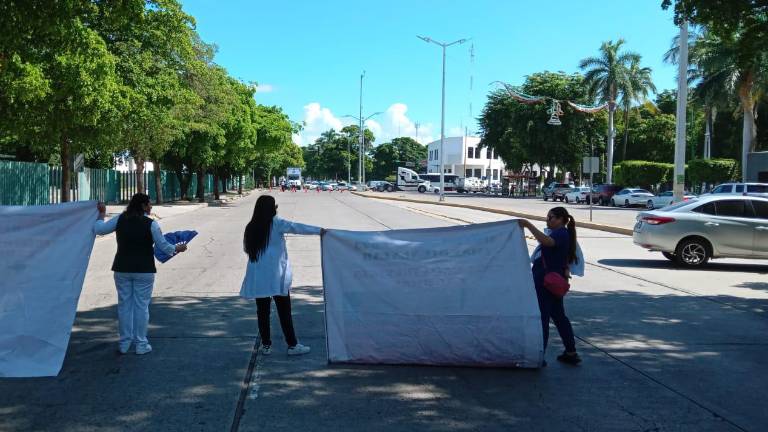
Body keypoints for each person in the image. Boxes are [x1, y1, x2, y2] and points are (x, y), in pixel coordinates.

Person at [94, 193, 187, 355]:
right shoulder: (151, 224)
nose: (151, 207)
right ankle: (141, 344)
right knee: (141, 307)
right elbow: (164, 247)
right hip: (144, 270)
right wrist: (178, 248)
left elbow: (99, 229)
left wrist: (101, 214)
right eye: (149, 204)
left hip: (121, 269)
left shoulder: (120, 219)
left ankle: (124, 343)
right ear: (143, 206)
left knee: (124, 306)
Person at [240, 195, 322, 356]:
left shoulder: (251, 226)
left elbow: (248, 250)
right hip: (276, 276)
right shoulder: (276, 223)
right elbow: (298, 227)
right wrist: (320, 231)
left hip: (259, 277)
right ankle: (292, 345)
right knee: (284, 312)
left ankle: (266, 345)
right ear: (272, 208)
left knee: (262, 312)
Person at [518, 207, 581, 365]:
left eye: (551, 217)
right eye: (547, 217)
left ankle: (540, 355)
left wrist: (528, 225)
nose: (548, 220)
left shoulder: (560, 233)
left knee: (543, 318)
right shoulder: (562, 233)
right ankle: (570, 351)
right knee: (559, 317)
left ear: (560, 219)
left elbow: (547, 242)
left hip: (547, 282)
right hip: (552, 280)